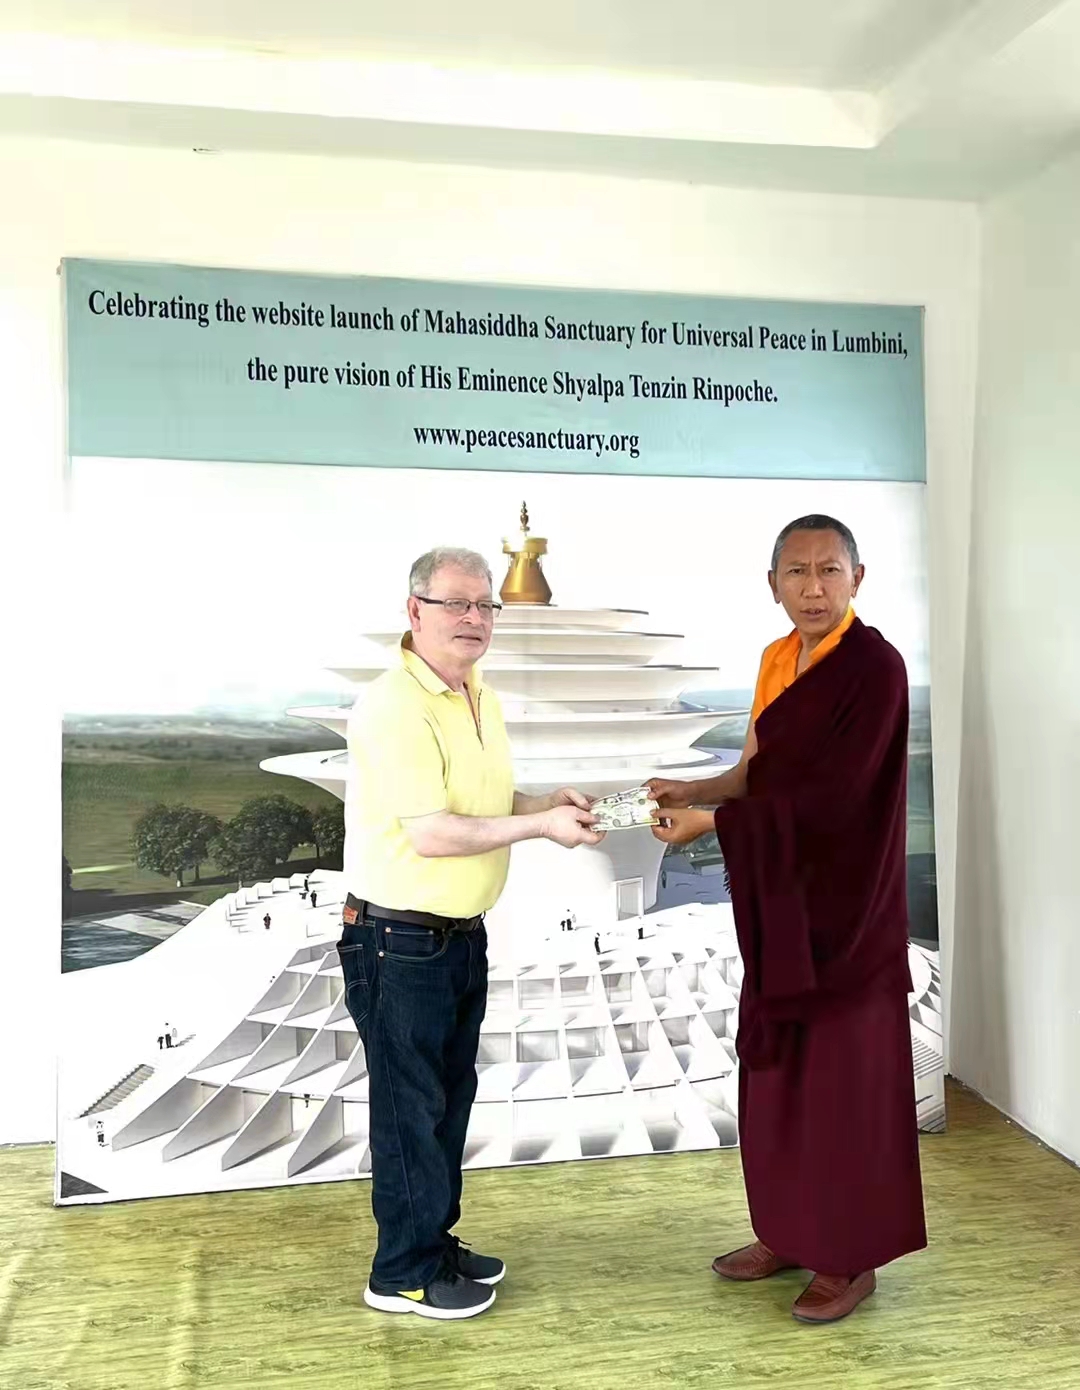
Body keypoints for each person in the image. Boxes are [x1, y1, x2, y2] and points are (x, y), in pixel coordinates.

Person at [649, 515, 926, 1325]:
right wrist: (696, 791)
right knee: (778, 1080)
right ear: (772, 584)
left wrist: (714, 828)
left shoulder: (875, 668)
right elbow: (760, 775)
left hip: (847, 911)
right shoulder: (778, 659)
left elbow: (833, 802)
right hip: (784, 911)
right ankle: (789, 1232)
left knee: (843, 1089)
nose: (812, 587)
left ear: (858, 579)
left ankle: (848, 1258)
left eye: (829, 571)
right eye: (796, 572)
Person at [340, 545, 602, 1321]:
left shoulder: (472, 692)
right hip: (397, 941)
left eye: (486, 605)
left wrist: (540, 798)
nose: (475, 619)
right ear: (414, 610)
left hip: (455, 935)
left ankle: (431, 1240)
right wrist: (541, 827)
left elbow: (477, 797)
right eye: (456, 603)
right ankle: (401, 1274)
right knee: (408, 1107)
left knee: (446, 1101)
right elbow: (433, 833)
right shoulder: (396, 705)